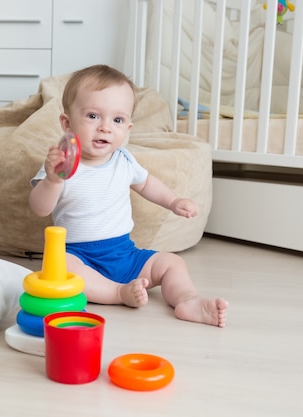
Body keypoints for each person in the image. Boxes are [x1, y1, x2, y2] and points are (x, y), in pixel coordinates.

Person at [29, 65, 228, 327]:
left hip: (124, 252)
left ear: (128, 128)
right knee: (60, 267)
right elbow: (39, 208)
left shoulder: (123, 160)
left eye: (117, 120)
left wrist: (173, 201)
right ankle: (117, 293)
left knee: (171, 263)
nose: (105, 128)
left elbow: (147, 184)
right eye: (92, 116)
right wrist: (54, 181)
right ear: (67, 123)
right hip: (78, 255)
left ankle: (187, 299)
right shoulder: (61, 163)